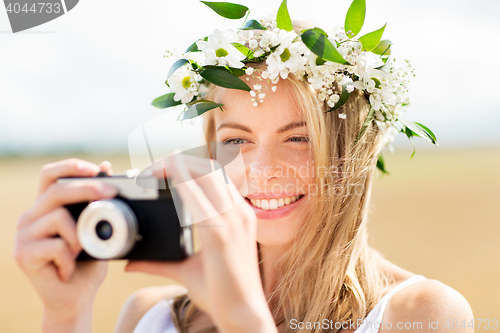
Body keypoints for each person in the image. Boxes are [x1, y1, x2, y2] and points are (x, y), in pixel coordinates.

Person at [14, 3, 474, 332]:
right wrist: (65, 315)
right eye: (236, 140)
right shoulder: (149, 316)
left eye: (299, 139)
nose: (261, 169)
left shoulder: (422, 315)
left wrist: (243, 319)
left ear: (354, 152)